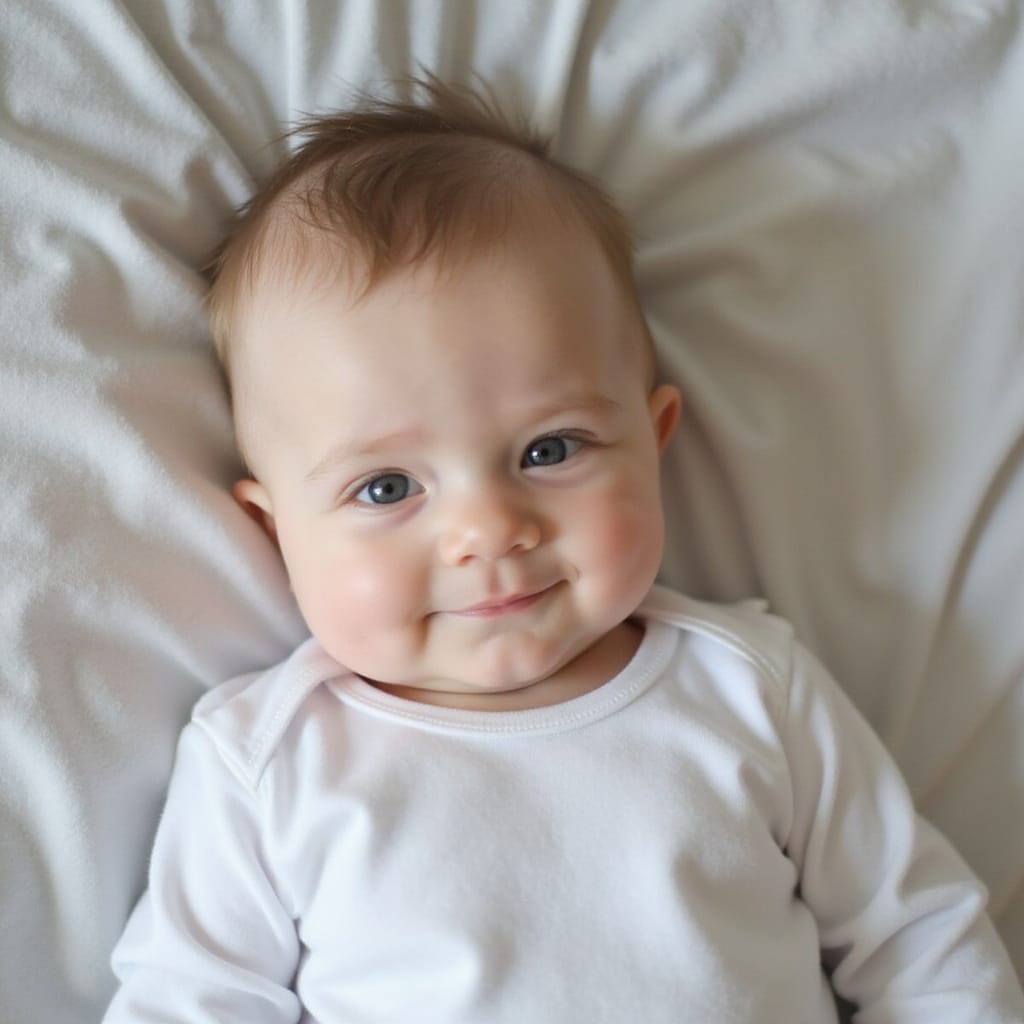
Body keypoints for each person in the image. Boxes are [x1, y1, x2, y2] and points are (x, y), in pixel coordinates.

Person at [103, 76, 1024, 1023]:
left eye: (549, 450)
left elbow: (923, 944)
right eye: (386, 488)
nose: (488, 529)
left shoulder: (749, 691)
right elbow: (188, 1002)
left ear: (653, 440)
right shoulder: (267, 764)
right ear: (275, 530)